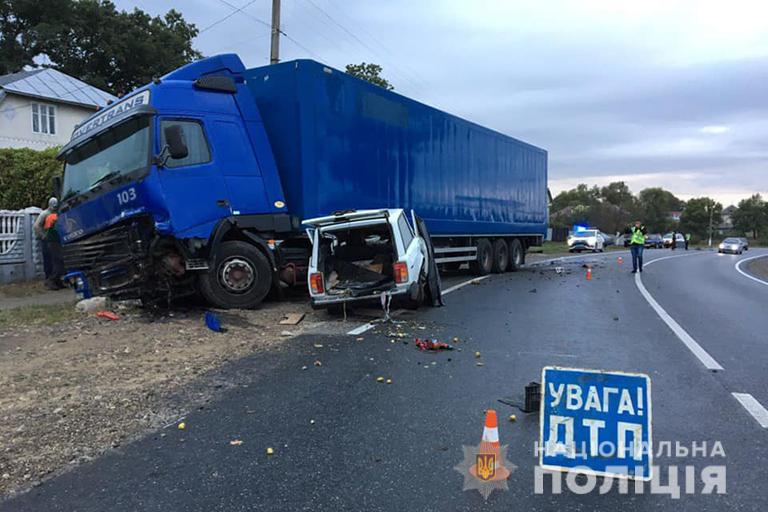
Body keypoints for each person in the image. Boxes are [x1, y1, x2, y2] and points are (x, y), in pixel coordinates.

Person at [33, 197, 58, 286]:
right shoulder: (44, 214)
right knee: (48, 260)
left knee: (55, 259)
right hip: (46, 240)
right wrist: (43, 236)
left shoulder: (55, 213)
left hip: (54, 240)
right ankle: (49, 279)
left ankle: (56, 279)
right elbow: (36, 226)